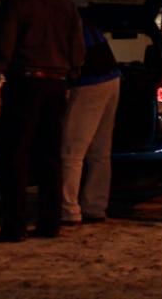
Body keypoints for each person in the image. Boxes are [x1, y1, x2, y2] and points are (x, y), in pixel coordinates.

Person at [0, 0, 85, 242]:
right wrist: (70, 74)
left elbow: (4, 44)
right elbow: (78, 50)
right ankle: (49, 224)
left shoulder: (17, 1)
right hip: (56, 85)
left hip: (25, 84)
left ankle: (14, 226)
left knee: (14, 155)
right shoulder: (65, 3)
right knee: (50, 156)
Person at [61, 19, 120, 225]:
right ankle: (94, 206)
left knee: (71, 151)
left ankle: (68, 210)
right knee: (100, 151)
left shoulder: (60, 22)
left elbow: (73, 59)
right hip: (111, 78)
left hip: (89, 83)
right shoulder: (83, 22)